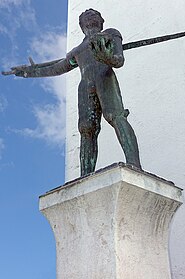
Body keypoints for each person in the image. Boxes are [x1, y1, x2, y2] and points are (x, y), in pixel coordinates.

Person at [2, 9, 142, 176]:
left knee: (116, 116)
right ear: (81, 25)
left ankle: (134, 164)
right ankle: (85, 176)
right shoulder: (77, 50)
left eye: (94, 14)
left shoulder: (110, 34)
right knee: (86, 129)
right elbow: (57, 68)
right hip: (85, 86)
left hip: (104, 77)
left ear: (101, 20)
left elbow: (118, 60)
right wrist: (28, 72)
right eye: (86, 15)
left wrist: (107, 57)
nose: (90, 15)